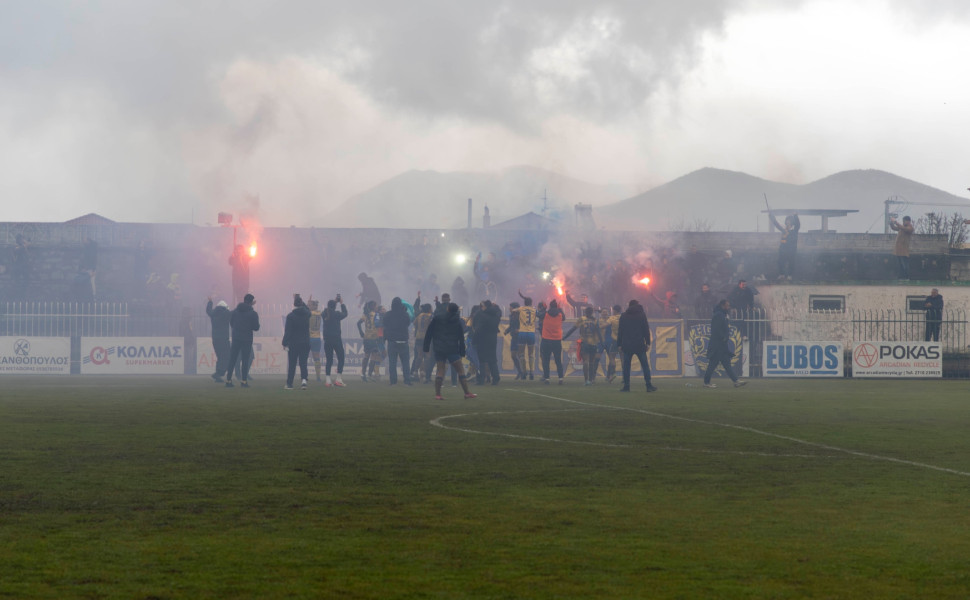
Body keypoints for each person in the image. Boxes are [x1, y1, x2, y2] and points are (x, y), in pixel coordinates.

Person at [423, 302, 477, 400]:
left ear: (448, 308)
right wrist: (462, 351)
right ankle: (467, 393)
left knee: (440, 370)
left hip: (439, 348)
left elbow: (429, 332)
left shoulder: (437, 318)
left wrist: (426, 347)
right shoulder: (457, 321)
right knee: (460, 370)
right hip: (452, 348)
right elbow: (461, 336)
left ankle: (438, 394)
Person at [703, 299, 747, 389]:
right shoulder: (718, 315)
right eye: (727, 305)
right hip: (717, 345)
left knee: (726, 364)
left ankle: (736, 381)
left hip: (721, 345)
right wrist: (723, 337)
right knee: (713, 364)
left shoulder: (722, 314)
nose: (729, 307)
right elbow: (716, 329)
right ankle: (706, 382)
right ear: (723, 306)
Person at [616, 300, 657, 392]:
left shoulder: (623, 316)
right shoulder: (642, 315)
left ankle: (626, 386)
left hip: (626, 344)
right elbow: (646, 329)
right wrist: (648, 343)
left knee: (626, 366)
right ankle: (648, 385)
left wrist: (619, 344)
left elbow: (620, 331)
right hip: (639, 344)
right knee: (645, 365)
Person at [225, 293, 260, 388]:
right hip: (247, 339)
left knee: (232, 359)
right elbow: (256, 327)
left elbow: (231, 323)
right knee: (245, 360)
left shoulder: (235, 311)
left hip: (236, 338)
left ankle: (228, 380)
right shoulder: (253, 313)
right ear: (251, 302)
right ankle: (244, 381)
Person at [564, 307, 603, 385]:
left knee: (585, 361)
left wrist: (565, 337)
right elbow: (598, 332)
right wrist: (602, 342)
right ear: (592, 312)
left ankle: (586, 380)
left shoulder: (582, 319)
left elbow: (573, 328)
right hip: (593, 343)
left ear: (585, 312)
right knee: (591, 362)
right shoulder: (595, 320)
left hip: (585, 342)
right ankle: (591, 380)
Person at [282, 294, 311, 390]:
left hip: (294, 343)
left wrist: (284, 342)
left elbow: (288, 331)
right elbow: (309, 310)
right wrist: (302, 301)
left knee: (292, 364)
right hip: (305, 342)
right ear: (301, 304)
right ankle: (304, 381)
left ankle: (290, 383)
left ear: (293, 304)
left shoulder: (290, 316)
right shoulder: (307, 314)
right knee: (303, 363)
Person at [383, 297, 413, 385]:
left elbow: (385, 325)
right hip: (403, 341)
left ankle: (393, 381)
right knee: (405, 363)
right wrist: (404, 311)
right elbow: (408, 323)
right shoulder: (405, 314)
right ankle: (407, 381)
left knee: (392, 363)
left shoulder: (388, 314)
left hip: (392, 341)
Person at [473, 299, 502, 385]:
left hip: (482, 339)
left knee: (481, 360)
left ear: (485, 306)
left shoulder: (481, 314)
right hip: (493, 339)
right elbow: (499, 311)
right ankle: (496, 378)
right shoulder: (496, 315)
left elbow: (478, 328)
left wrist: (474, 340)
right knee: (492, 360)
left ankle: (481, 379)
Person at [322, 295, 348, 387]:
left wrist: (334, 302)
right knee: (341, 358)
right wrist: (341, 303)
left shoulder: (324, 313)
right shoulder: (337, 314)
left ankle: (328, 381)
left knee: (329, 360)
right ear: (335, 306)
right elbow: (345, 313)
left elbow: (329, 309)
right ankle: (338, 379)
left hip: (327, 340)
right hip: (336, 340)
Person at [539, 298, 566, 384]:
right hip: (557, 340)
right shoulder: (560, 315)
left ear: (550, 306)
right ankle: (560, 378)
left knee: (546, 360)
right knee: (558, 360)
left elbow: (539, 314)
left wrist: (544, 308)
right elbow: (564, 317)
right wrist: (560, 308)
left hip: (546, 340)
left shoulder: (545, 314)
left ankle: (547, 378)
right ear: (557, 306)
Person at [205, 297, 231, 383]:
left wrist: (210, 302)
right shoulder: (226, 313)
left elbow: (208, 310)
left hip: (215, 339)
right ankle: (218, 373)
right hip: (224, 339)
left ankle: (218, 375)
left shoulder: (213, 313)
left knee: (220, 357)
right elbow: (234, 313)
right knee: (226, 356)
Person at [513, 294, 537, 380]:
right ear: (531, 303)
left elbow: (513, 310)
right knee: (531, 354)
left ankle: (524, 372)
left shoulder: (521, 308)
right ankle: (532, 372)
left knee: (521, 354)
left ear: (524, 302)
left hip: (522, 332)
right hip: (531, 333)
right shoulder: (534, 310)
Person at [769, 212, 801, 281]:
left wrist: (796, 216)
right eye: (787, 220)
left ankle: (789, 275)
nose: (787, 221)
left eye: (789, 220)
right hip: (783, 249)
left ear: (792, 222)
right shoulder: (784, 229)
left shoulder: (795, 230)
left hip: (791, 250)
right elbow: (776, 224)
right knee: (780, 262)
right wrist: (772, 217)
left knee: (791, 262)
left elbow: (798, 224)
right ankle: (782, 275)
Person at [357, 300, 382, 382]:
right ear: (373, 307)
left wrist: (361, 332)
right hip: (374, 338)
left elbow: (358, 323)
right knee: (374, 356)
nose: (376, 307)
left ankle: (363, 374)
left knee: (366, 356)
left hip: (366, 338)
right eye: (375, 306)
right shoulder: (376, 315)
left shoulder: (365, 315)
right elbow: (378, 325)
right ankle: (369, 375)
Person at [411, 303, 434, 383]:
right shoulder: (431, 316)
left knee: (419, 356)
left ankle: (415, 372)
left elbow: (414, 324)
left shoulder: (419, 316)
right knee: (427, 356)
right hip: (427, 338)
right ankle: (425, 374)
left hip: (419, 337)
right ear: (429, 309)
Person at [600, 305, 622, 383]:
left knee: (612, 358)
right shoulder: (623, 317)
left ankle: (613, 373)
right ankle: (625, 377)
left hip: (615, 340)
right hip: (623, 341)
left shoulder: (612, 318)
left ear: (615, 311)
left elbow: (605, 325)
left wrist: (598, 327)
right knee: (623, 359)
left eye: (613, 310)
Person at [889, 215, 915, 279]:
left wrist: (895, 222)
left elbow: (904, 228)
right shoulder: (902, 227)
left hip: (904, 250)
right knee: (900, 265)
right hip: (898, 250)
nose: (903, 222)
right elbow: (894, 228)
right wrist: (891, 222)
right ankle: (901, 277)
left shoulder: (910, 228)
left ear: (908, 221)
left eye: (904, 221)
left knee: (905, 265)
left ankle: (906, 277)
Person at [307, 299, 323, 381]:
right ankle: (318, 377)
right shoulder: (320, 313)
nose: (308, 306)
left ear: (313, 306)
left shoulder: (309, 313)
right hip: (317, 338)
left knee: (304, 356)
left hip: (309, 337)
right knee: (317, 358)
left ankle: (304, 376)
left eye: (309, 305)